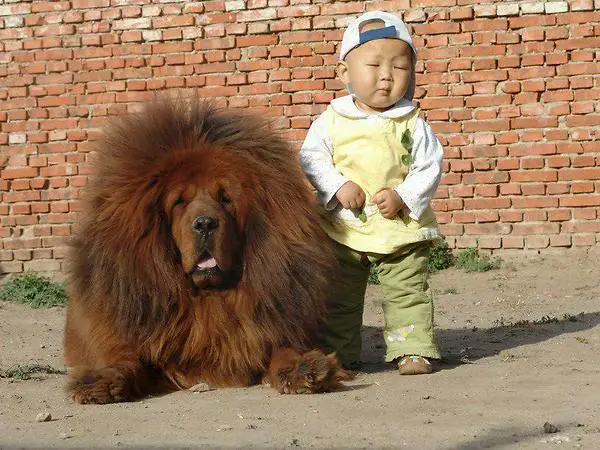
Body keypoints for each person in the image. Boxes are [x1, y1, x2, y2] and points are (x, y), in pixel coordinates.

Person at [300, 10, 444, 375]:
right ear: (344, 72)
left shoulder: (413, 122)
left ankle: (413, 348)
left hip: (400, 228)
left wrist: (405, 196)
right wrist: (336, 185)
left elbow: (429, 166)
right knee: (340, 296)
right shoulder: (332, 119)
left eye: (400, 67)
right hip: (345, 229)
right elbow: (311, 158)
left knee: (407, 289)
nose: (386, 76)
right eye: (375, 65)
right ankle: (339, 353)